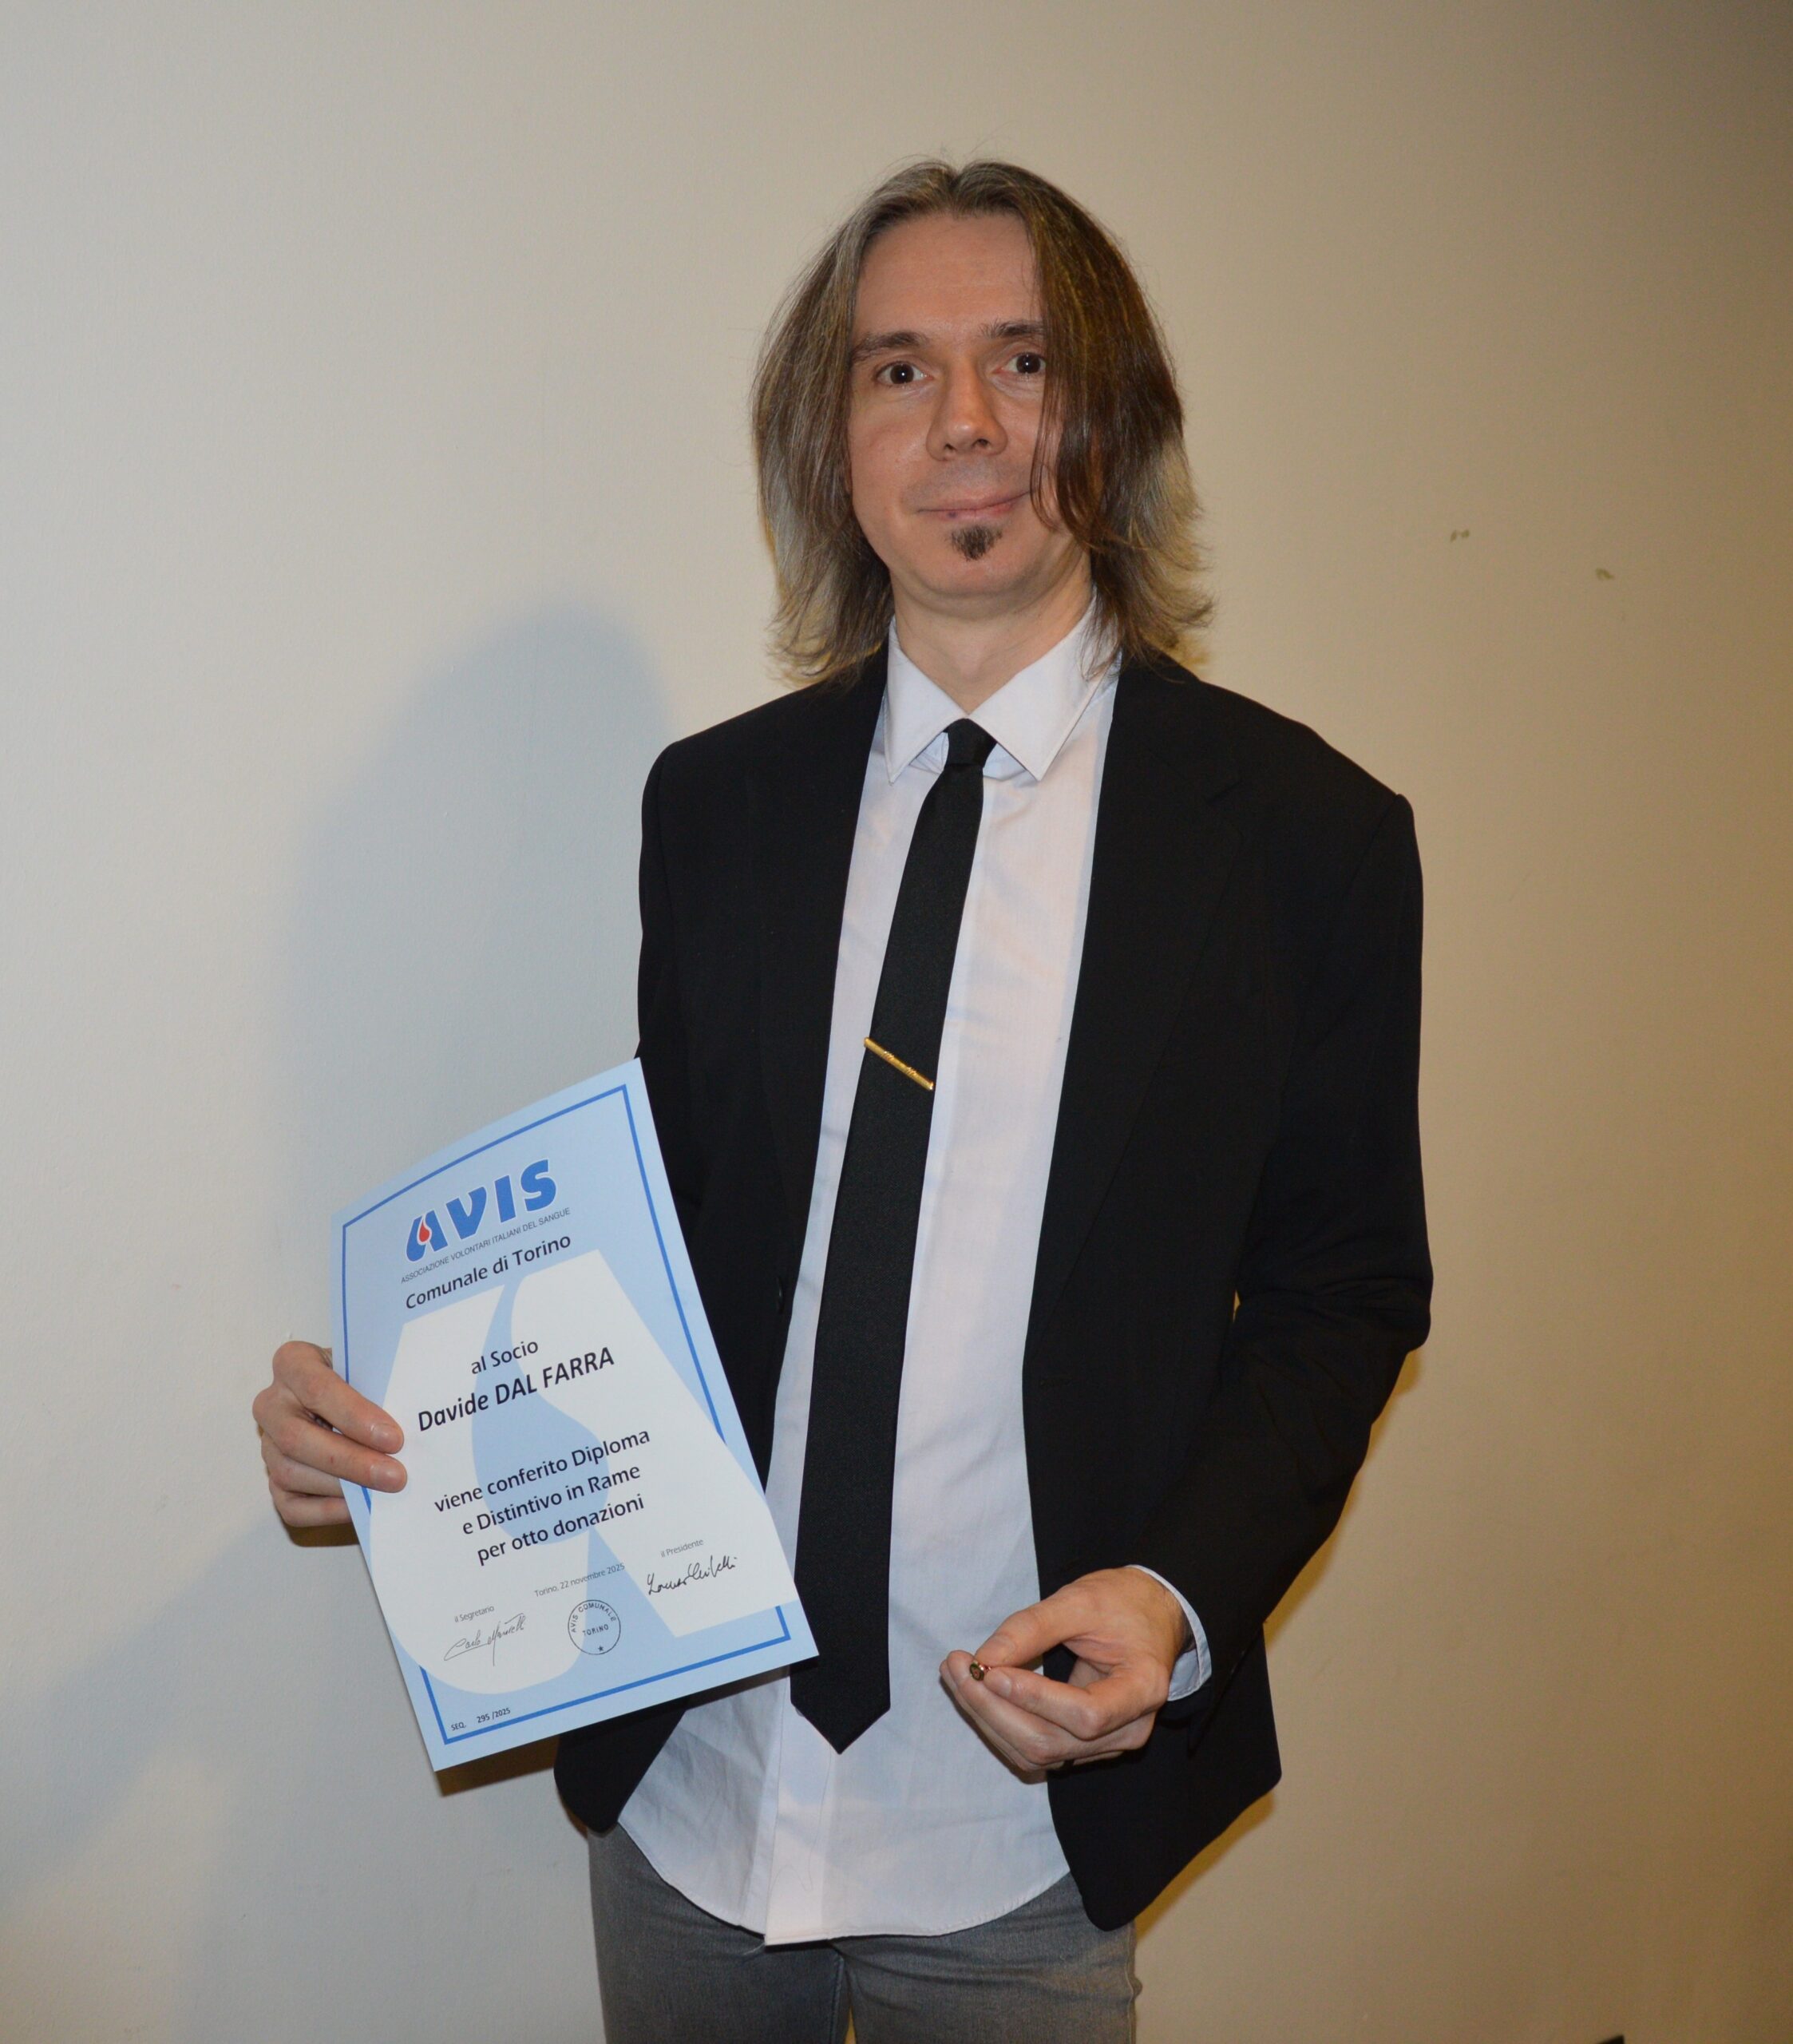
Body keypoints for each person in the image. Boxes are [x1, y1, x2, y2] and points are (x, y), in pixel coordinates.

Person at [253, 159, 1431, 2042]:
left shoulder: (1303, 840)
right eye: (898, 369)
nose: (963, 422)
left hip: (1023, 1830)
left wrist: (1173, 1591)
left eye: (1025, 360)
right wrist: (406, 1433)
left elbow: (1343, 1288)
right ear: (833, 442)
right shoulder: (716, 806)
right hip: (689, 1794)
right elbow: (669, 1242)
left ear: (1117, 418)